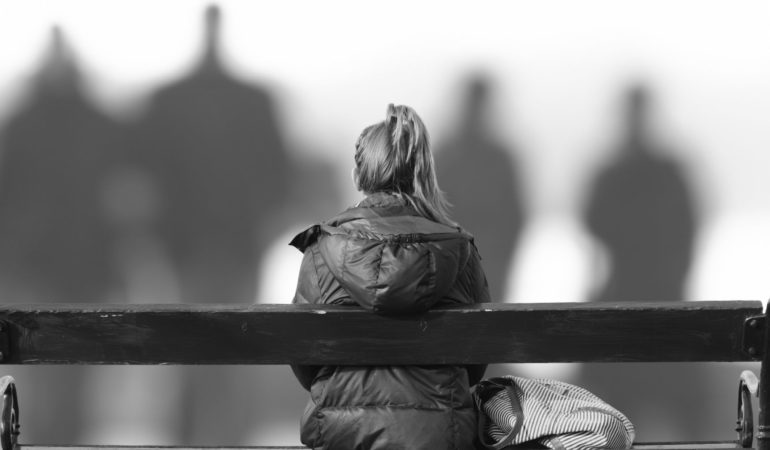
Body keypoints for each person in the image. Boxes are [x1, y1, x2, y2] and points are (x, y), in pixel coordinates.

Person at [289, 104, 490, 449]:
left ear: (359, 174)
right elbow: (475, 364)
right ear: (421, 172)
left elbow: (306, 363)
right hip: (442, 433)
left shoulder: (322, 249)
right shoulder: (458, 248)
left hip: (341, 433)